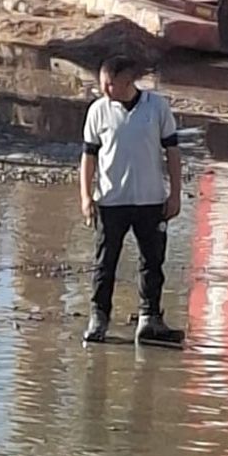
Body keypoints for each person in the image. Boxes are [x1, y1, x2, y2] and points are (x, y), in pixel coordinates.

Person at [80, 54, 183, 344]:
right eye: (102, 84)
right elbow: (88, 156)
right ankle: (99, 318)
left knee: (152, 262)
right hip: (111, 201)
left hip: (150, 200)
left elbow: (173, 153)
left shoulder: (157, 107)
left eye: (109, 84)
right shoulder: (98, 111)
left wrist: (174, 194)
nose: (103, 90)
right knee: (104, 263)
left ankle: (150, 319)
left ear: (127, 81)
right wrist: (86, 196)